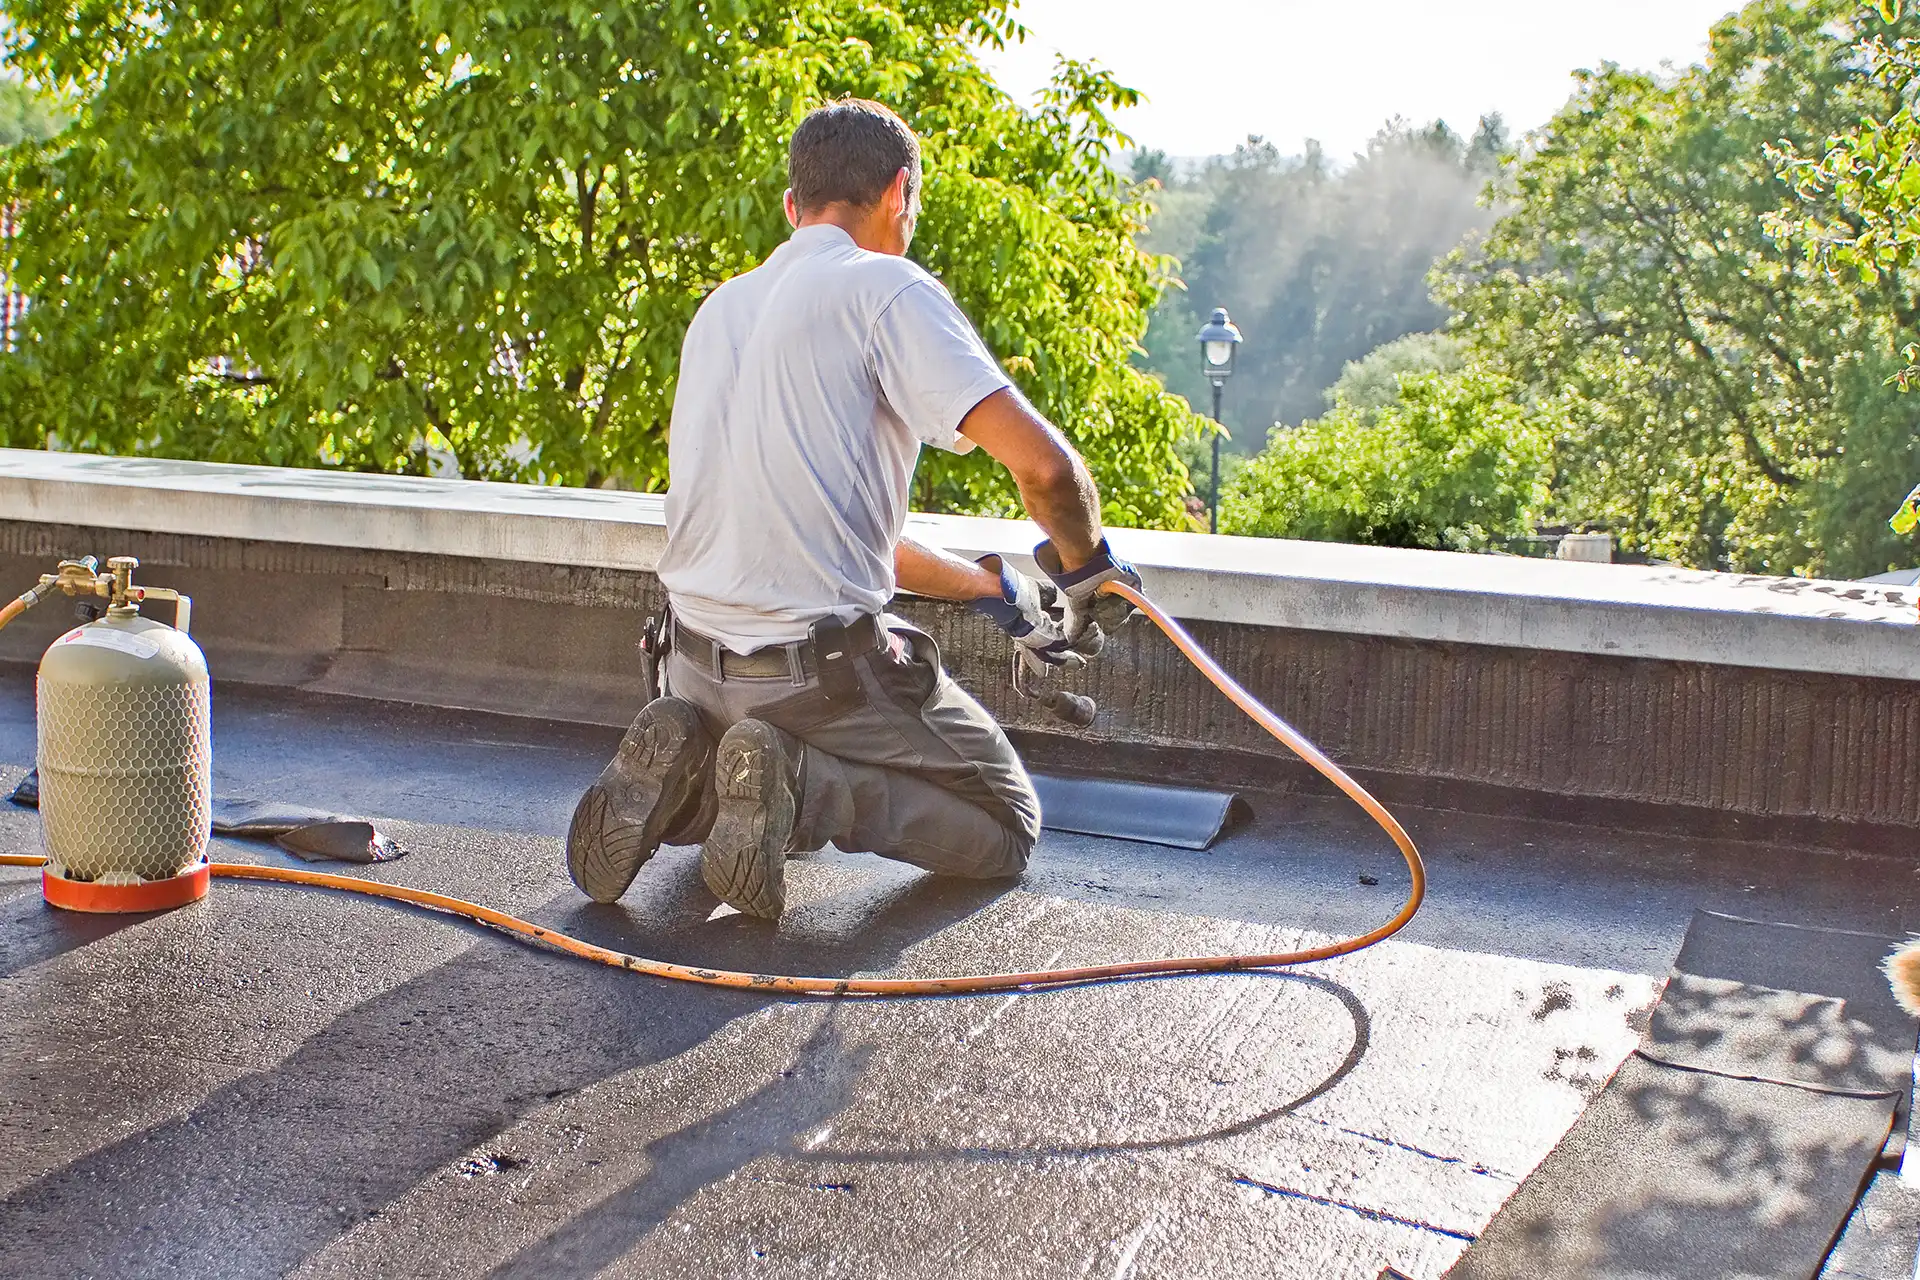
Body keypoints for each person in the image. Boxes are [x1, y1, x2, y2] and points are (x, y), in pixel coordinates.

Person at [564, 98, 1141, 919]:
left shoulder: (722, 308)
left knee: (745, 759)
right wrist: (1087, 571)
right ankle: (806, 786)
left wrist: (988, 588)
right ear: (899, 192)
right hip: (812, 680)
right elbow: (1046, 471)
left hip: (688, 664)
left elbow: (830, 535)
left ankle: (690, 781)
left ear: (793, 207)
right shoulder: (885, 288)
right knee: (1007, 827)